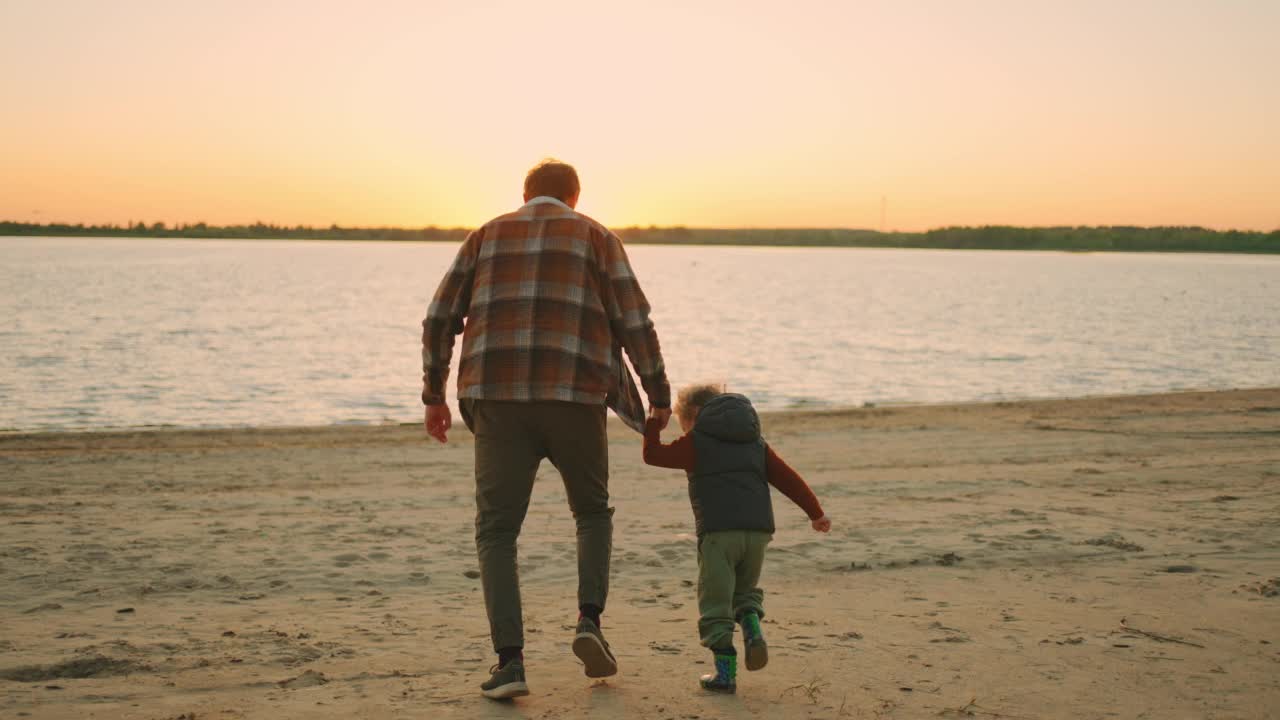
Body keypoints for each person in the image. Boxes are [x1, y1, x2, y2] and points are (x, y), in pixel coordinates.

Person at [421, 159, 672, 700]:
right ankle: (589, 622)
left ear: (525, 194)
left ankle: (510, 662)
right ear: (574, 198)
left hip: (497, 398)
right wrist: (657, 397)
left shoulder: (485, 235)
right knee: (591, 511)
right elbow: (635, 321)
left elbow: (439, 317)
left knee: (496, 531)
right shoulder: (598, 238)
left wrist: (433, 395)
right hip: (575, 395)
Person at [642, 383, 830, 693]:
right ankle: (753, 630)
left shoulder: (697, 442)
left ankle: (725, 675)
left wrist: (652, 424)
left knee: (715, 601)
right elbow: (788, 479)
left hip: (718, 534)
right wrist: (816, 513)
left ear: (693, 417)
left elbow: (653, 455)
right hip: (758, 533)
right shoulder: (755, 442)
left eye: (681, 423)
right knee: (744, 591)